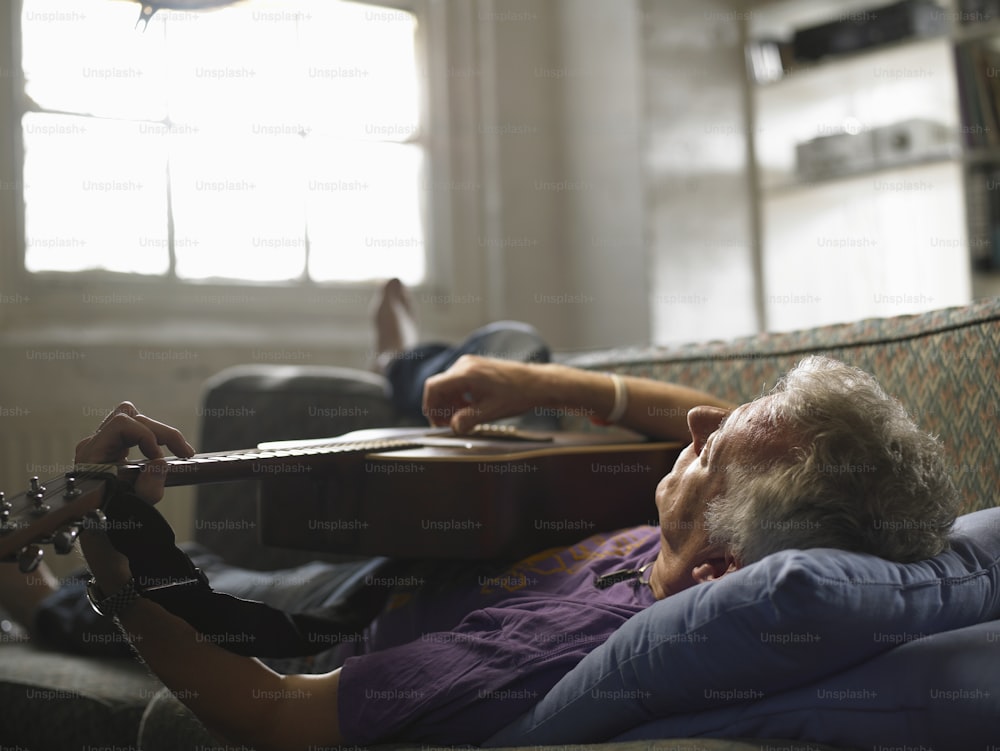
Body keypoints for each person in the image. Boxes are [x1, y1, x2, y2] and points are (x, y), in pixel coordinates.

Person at [0, 282, 959, 750]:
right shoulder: (724, 543)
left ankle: (39, 596)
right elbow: (710, 421)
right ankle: (419, 363)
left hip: (355, 623)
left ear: (721, 566)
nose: (697, 416)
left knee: (209, 590)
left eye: (714, 448)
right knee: (507, 346)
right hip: (433, 564)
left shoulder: (545, 653)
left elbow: (274, 709)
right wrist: (536, 382)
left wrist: (121, 573)